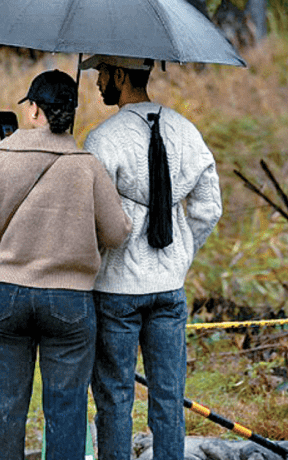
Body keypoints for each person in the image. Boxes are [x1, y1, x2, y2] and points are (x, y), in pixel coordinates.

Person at [0, 69, 131, 460]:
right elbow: (116, 233)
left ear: (36, 110)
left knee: (6, 409)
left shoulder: (4, 152)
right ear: (70, 115)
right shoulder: (86, 164)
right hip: (69, 301)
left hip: (5, 295)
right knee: (66, 411)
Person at [80, 55, 223, 460]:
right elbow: (208, 208)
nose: (97, 83)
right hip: (169, 289)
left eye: (102, 74)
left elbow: (93, 217)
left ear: (120, 76)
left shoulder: (102, 139)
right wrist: (180, 254)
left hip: (115, 291)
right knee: (168, 398)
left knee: (114, 398)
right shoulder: (187, 131)